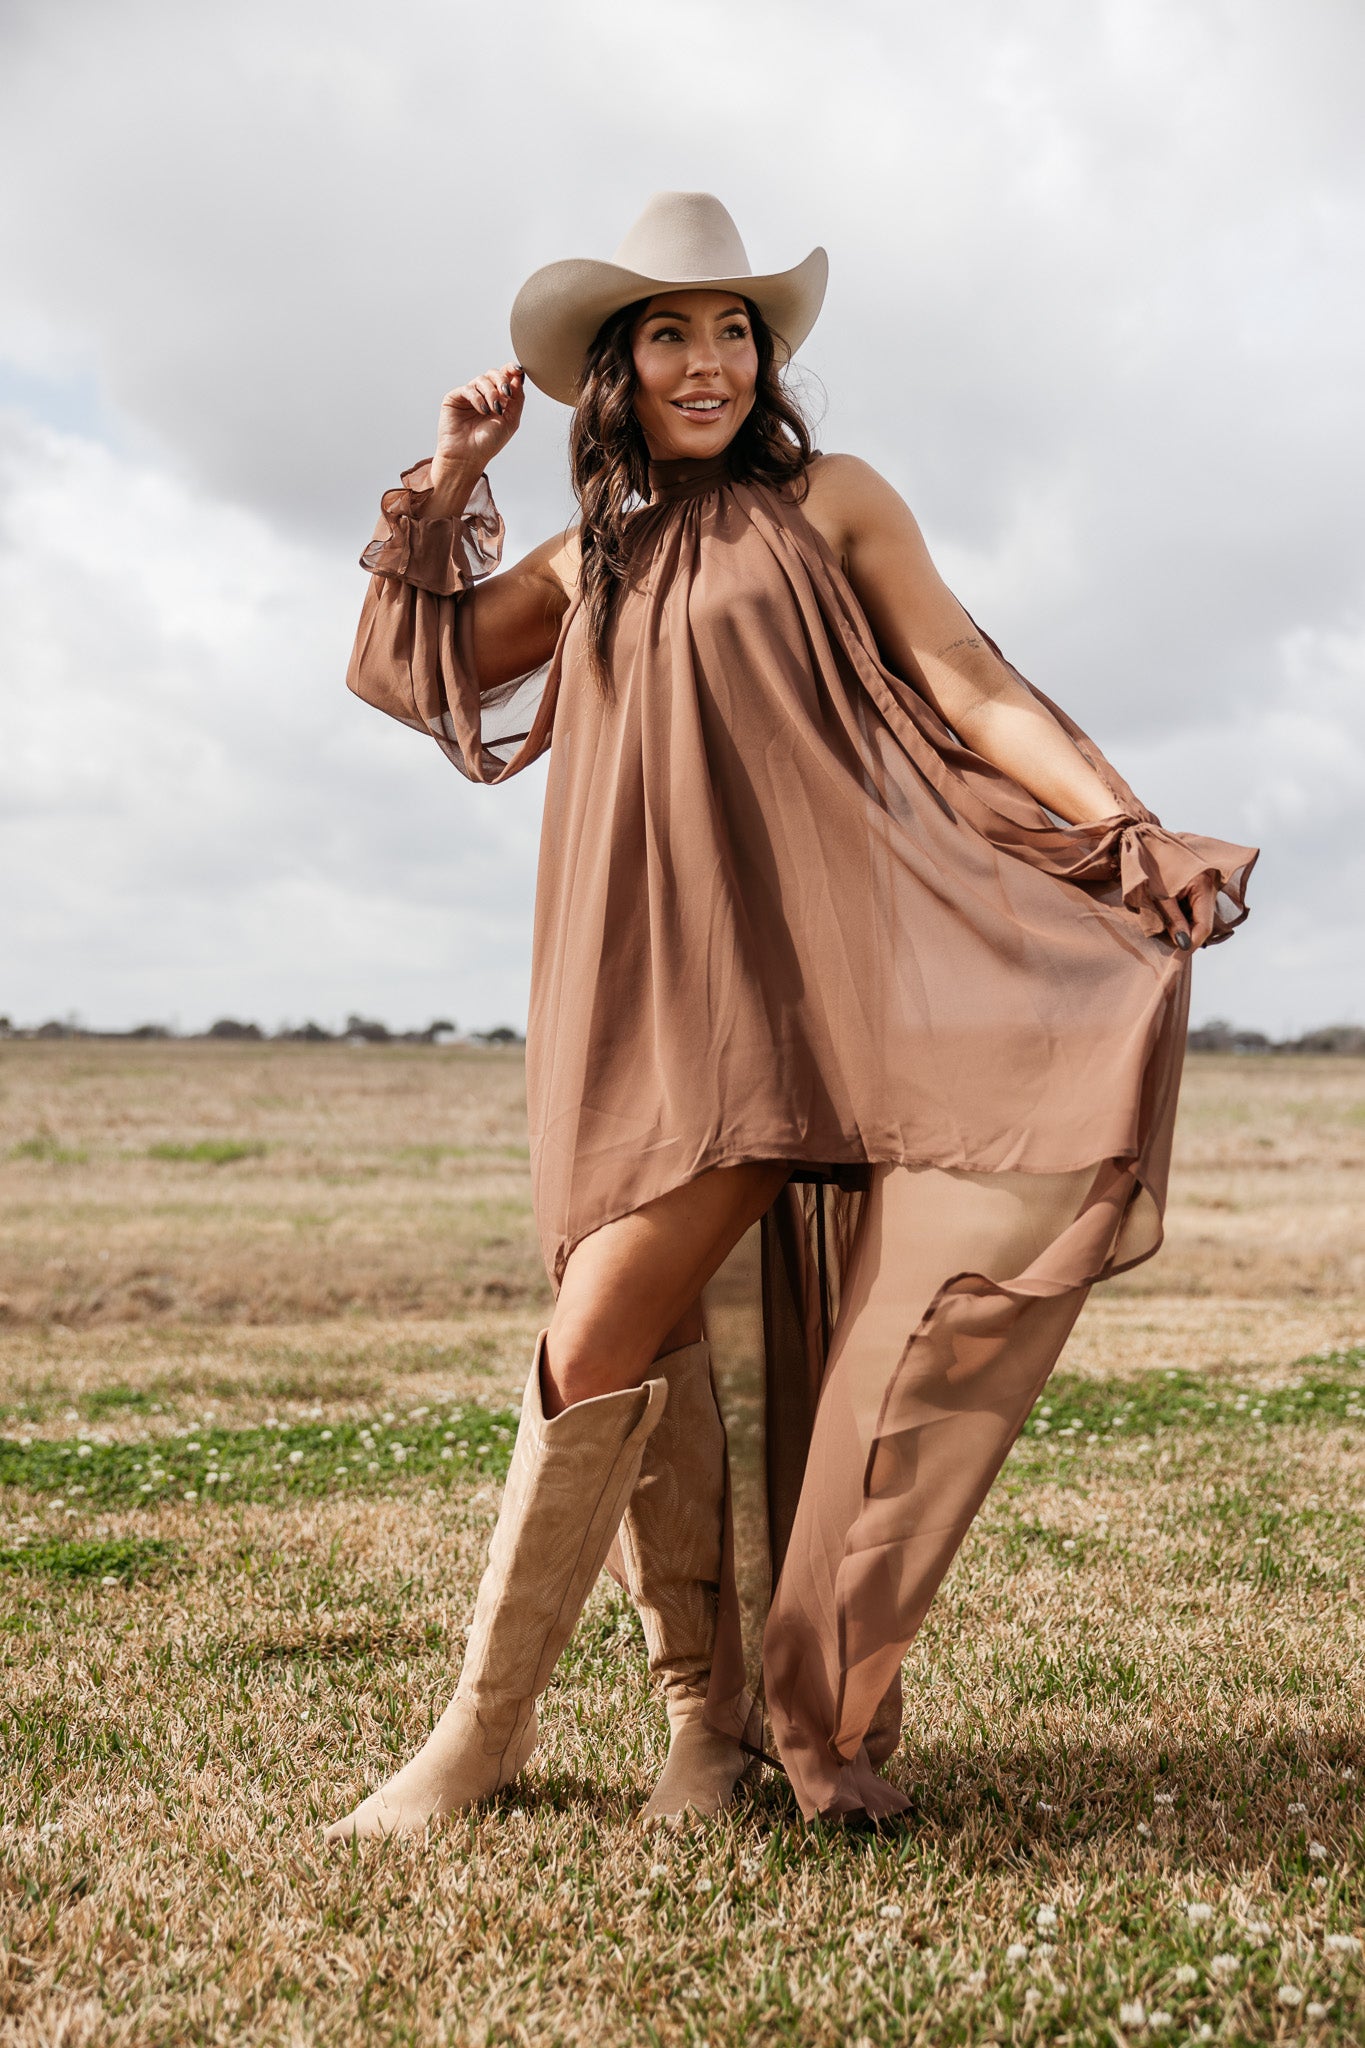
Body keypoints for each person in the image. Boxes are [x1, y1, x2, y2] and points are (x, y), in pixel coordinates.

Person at [325, 191, 1256, 1841]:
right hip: (633, 978)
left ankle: (540, 1735)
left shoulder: (832, 502)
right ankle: (674, 1728)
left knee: (612, 1333)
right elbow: (419, 669)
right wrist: (451, 479)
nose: (706, 360)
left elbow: (967, 682)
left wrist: (1121, 829)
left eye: (732, 328)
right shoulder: (591, 547)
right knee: (629, 1335)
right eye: (668, 334)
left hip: (804, 985)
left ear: (766, 353)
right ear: (614, 370)